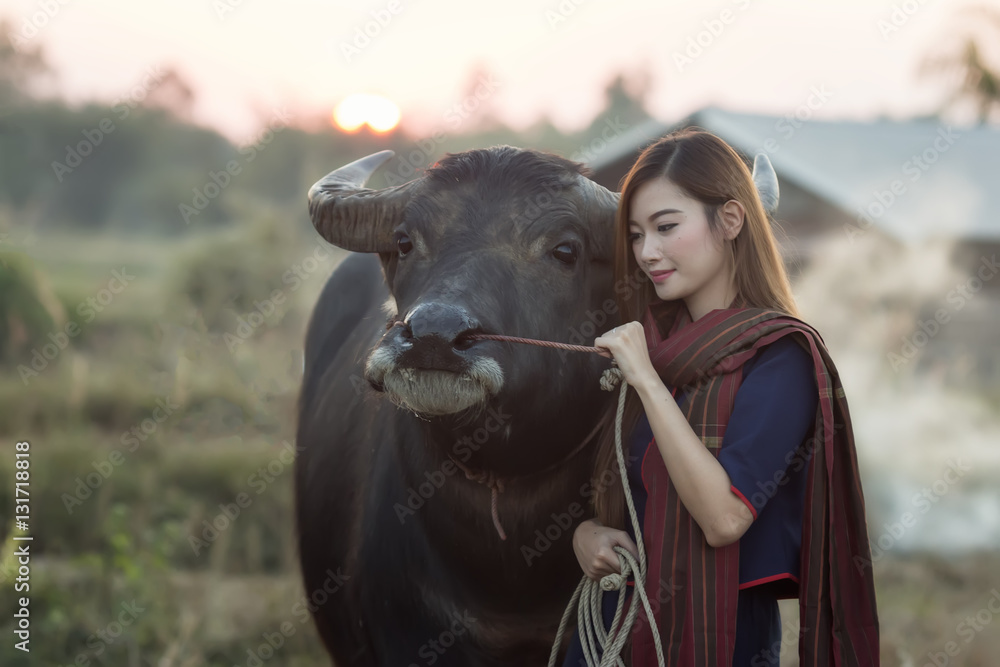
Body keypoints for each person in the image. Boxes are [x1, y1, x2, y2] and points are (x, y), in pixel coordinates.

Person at [560, 128, 879, 666]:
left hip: (722, 636)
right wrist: (587, 535)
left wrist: (647, 382)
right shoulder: (651, 347)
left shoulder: (781, 357)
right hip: (613, 626)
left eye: (665, 227)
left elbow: (724, 518)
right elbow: (621, 495)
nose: (646, 252)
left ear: (730, 221)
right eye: (636, 235)